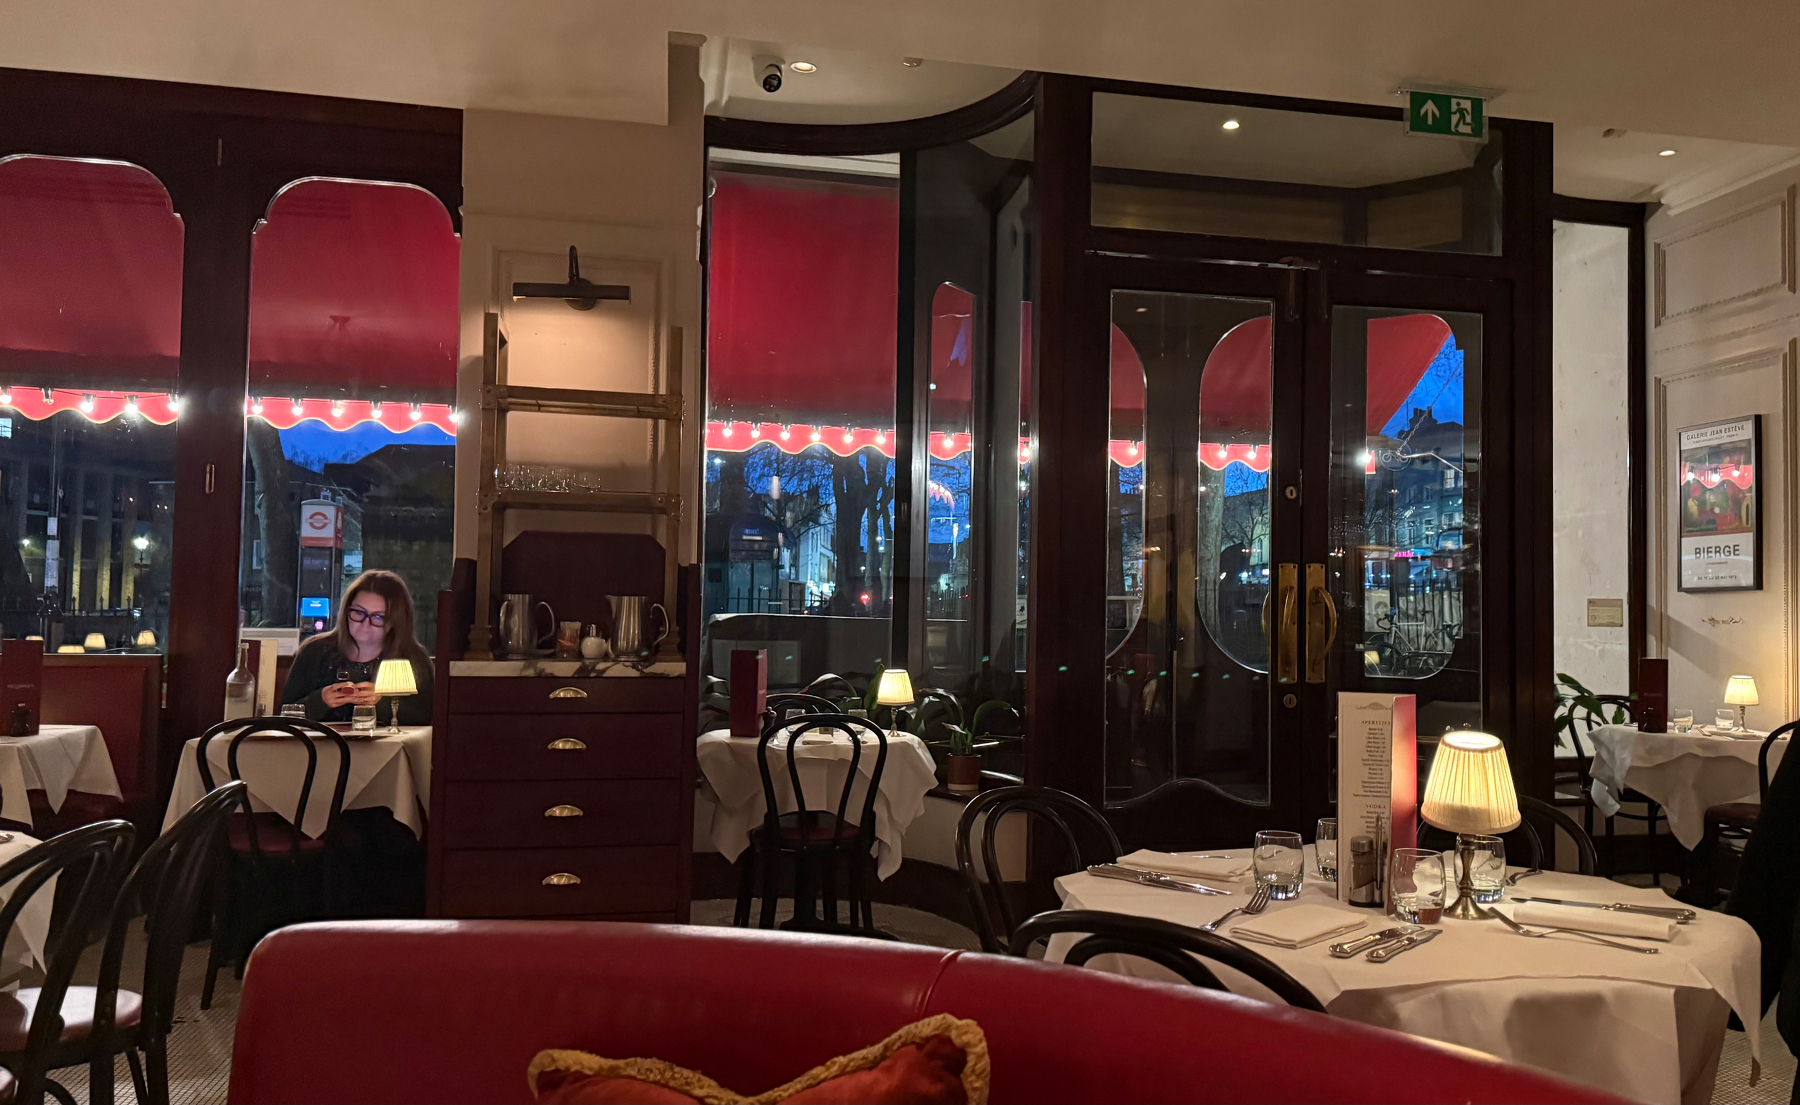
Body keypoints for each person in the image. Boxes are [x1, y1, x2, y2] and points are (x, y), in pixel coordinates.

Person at [282, 570, 434, 725]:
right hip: (318, 748)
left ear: (395, 620)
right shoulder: (314, 651)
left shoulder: (412, 658)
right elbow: (283, 714)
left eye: (378, 617)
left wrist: (381, 703)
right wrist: (320, 700)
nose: (365, 623)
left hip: (384, 748)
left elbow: (425, 719)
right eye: (358, 612)